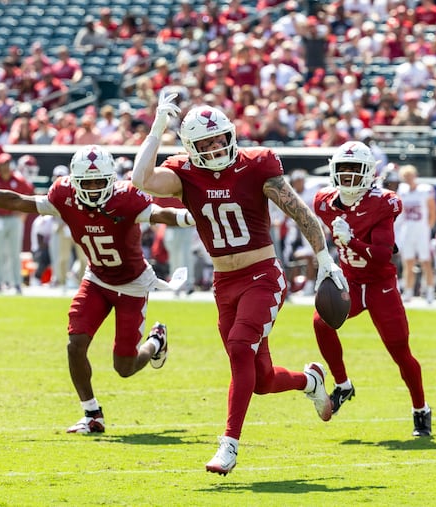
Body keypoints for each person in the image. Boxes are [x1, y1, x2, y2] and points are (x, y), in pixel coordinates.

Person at [130, 93, 348, 475]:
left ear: (230, 135)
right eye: (206, 143)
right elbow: (140, 179)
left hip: (263, 275)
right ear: (190, 147)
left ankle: (228, 445)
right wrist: (157, 128)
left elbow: (300, 212)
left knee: (239, 345)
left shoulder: (256, 164)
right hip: (223, 281)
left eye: (219, 139)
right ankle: (309, 381)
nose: (215, 148)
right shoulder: (184, 173)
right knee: (260, 379)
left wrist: (326, 260)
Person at [0, 144, 195, 434]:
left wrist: (195, 217)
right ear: (75, 181)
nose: (92, 189)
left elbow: (162, 215)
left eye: (98, 182)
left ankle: (156, 341)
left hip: (132, 285)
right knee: (75, 343)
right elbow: (17, 201)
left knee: (124, 368)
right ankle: (92, 414)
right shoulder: (63, 195)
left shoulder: (126, 197)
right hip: (97, 279)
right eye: (86, 183)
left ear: (111, 180)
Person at [312, 141, 431, 437]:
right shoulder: (323, 202)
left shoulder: (382, 202)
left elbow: (382, 253)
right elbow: (310, 228)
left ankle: (421, 410)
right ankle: (342, 385)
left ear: (369, 173)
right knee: (321, 322)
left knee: (400, 352)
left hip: (380, 284)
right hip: (350, 280)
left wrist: (351, 240)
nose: (349, 176)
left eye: (356, 170)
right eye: (344, 169)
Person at [0, 153, 35, 294]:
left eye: (7, 164)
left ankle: (16, 283)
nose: (5, 167)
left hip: (13, 218)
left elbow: (30, 194)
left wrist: (23, 213)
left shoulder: (18, 180)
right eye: (3, 164)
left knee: (14, 252)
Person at [396, 164, 436, 303]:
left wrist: (427, 228)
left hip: (421, 229)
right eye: (405, 176)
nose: (408, 179)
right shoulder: (402, 191)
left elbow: (432, 212)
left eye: (410, 175)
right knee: (408, 262)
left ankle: (430, 291)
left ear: (415, 175)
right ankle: (408, 291)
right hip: (408, 229)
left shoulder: (425, 190)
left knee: (426, 261)